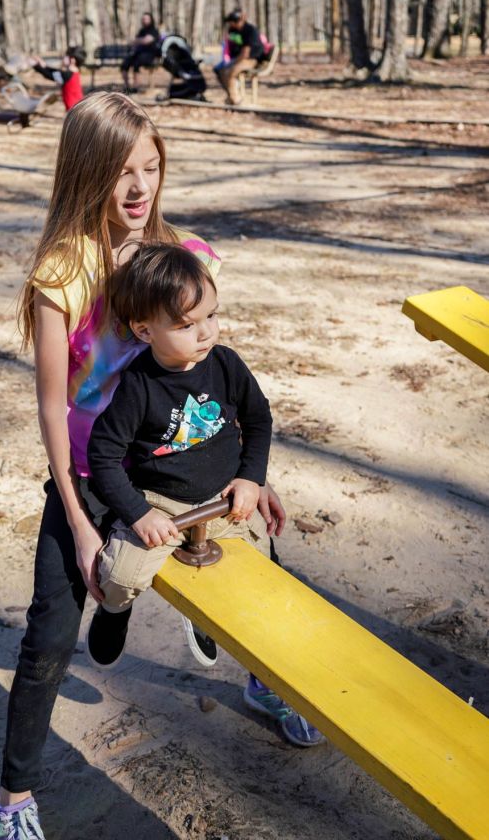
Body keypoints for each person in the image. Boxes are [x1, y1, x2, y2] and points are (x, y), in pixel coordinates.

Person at [0, 92, 222, 840]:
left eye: (151, 167)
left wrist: (248, 473)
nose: (138, 187)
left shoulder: (179, 255)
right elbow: (57, 410)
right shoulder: (63, 276)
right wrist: (84, 525)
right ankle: (13, 798)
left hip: (171, 461)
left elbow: (209, 369)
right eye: (121, 171)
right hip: (92, 473)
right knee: (50, 638)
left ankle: (268, 684)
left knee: (258, 564)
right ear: (87, 173)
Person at [86, 243, 325, 748]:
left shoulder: (226, 364)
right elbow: (104, 459)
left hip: (223, 496)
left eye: (211, 316)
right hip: (164, 505)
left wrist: (251, 478)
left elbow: (258, 420)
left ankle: (262, 677)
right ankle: (114, 610)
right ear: (145, 329)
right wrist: (138, 512)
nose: (206, 332)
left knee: (261, 580)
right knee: (122, 575)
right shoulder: (137, 388)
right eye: (188, 324)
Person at [214, 9, 277, 105]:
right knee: (221, 71)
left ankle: (236, 99)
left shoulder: (250, 30)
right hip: (238, 58)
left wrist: (232, 64)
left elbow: (245, 53)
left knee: (231, 71)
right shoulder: (233, 30)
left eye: (232, 22)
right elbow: (229, 45)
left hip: (251, 59)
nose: (231, 25)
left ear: (238, 21)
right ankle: (232, 95)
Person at [29, 46, 86, 110]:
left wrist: (36, 65)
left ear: (72, 60)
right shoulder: (74, 71)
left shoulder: (67, 74)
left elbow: (50, 75)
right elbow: (56, 72)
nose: (64, 58)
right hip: (77, 105)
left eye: (66, 56)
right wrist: (44, 65)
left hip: (73, 108)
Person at [121, 12, 161, 92]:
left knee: (137, 63)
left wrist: (137, 40)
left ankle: (136, 87)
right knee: (125, 63)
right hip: (138, 53)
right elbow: (136, 42)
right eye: (143, 19)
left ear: (151, 20)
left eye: (146, 19)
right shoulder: (141, 31)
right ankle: (127, 87)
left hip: (150, 55)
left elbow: (147, 41)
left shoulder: (154, 31)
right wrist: (137, 42)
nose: (144, 20)